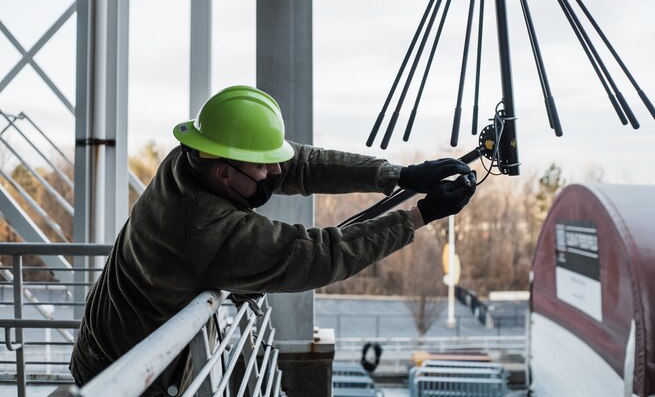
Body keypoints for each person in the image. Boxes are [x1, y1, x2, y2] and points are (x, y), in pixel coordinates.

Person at [69, 85, 476, 395]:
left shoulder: (193, 155)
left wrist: (397, 175)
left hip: (107, 342)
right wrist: (418, 216)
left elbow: (300, 162)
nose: (273, 174)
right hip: (129, 377)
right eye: (261, 170)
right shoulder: (205, 228)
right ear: (225, 174)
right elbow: (318, 255)